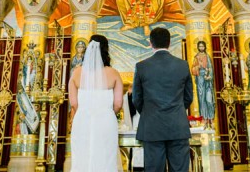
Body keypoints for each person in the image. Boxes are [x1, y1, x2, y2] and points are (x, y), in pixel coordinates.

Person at [132, 27, 193, 172]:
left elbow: (136, 99)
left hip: (152, 126)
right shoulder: (182, 65)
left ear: (150, 43)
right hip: (177, 125)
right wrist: (176, 109)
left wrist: (149, 111)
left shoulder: (141, 66)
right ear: (169, 42)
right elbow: (188, 96)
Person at [69, 34, 123, 171]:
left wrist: (86, 111)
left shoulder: (76, 73)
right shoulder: (114, 73)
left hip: (82, 120)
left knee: (82, 156)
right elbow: (118, 104)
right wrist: (107, 113)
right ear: (106, 51)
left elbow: (74, 103)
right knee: (106, 156)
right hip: (106, 121)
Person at [191, 40, 215, 129]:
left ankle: (211, 118)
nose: (201, 48)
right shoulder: (196, 57)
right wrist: (198, 66)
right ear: (198, 47)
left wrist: (209, 76)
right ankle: (204, 118)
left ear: (205, 47)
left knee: (209, 99)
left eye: (203, 46)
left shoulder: (207, 57)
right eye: (200, 46)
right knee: (202, 99)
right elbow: (193, 69)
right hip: (200, 79)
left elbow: (210, 68)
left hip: (207, 80)